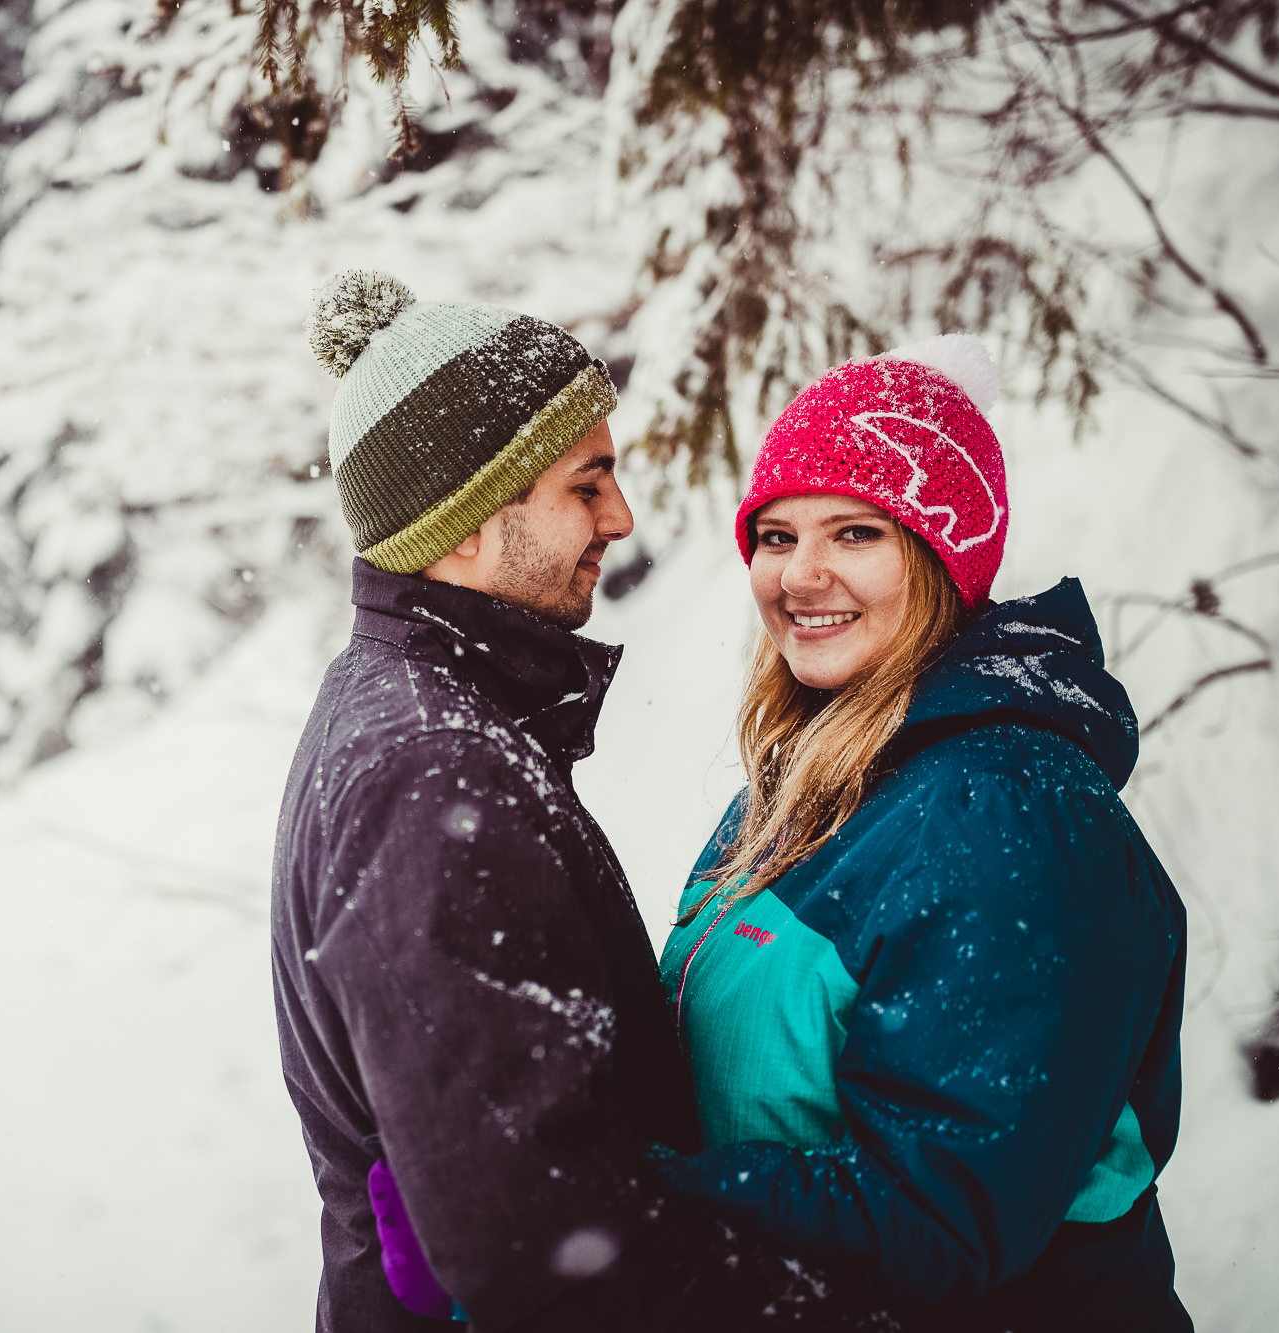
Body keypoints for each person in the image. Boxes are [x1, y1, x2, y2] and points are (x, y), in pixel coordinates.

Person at [271, 271, 892, 1331]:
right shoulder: (431, 768)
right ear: (462, 521)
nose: (621, 514)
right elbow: (538, 1233)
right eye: (584, 482)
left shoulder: (413, 715)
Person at [655, 336, 1191, 1330]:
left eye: (853, 532)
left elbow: (935, 1222)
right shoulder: (812, 775)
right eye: (774, 536)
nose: (799, 575)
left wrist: (613, 1200)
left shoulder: (1011, 812)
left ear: (944, 556)